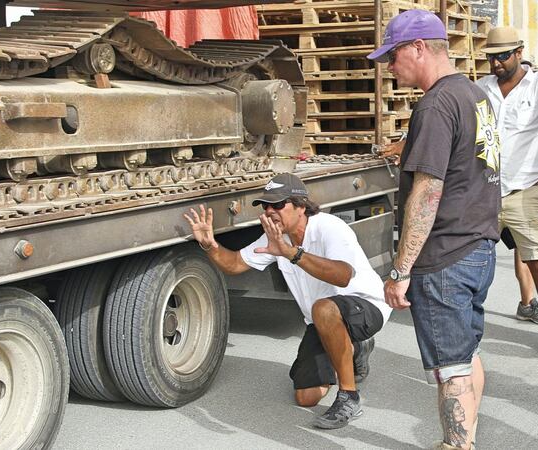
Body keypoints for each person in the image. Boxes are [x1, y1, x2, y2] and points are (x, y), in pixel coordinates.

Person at [368, 9, 501, 450]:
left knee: (451, 369)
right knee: (464, 356)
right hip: (478, 247)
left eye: (393, 55)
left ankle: (457, 445)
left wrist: (401, 269)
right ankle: (467, 442)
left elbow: (427, 192)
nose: (390, 67)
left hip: (445, 256)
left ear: (419, 48)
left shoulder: (437, 103)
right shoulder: (475, 96)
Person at [183, 173, 392, 430]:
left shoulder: (329, 227)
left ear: (301, 206)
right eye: (266, 206)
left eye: (278, 205)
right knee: (306, 397)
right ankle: (356, 349)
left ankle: (349, 397)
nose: (270, 211)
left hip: (365, 305)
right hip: (322, 319)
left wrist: (291, 253)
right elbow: (235, 264)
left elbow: (343, 276)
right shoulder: (275, 237)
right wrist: (209, 245)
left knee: (323, 308)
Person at [476, 26, 538, 357]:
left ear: (519, 53)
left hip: (527, 191)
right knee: (470, 260)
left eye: (503, 56)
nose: (496, 64)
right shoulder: (481, 89)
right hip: (486, 190)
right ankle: (467, 326)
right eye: (491, 57)